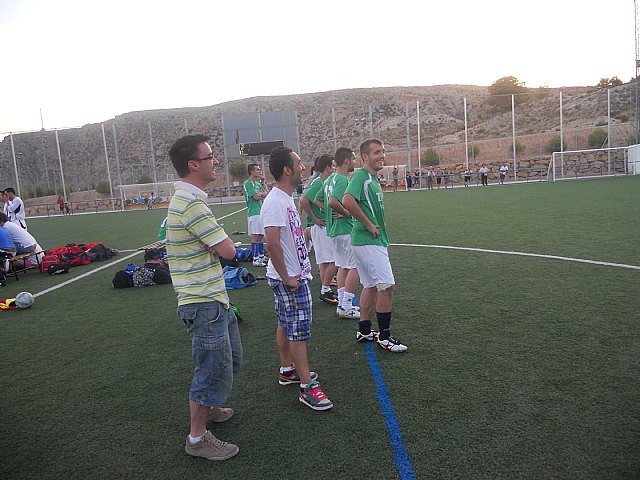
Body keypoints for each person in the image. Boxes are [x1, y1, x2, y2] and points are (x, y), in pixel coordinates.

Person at [166, 134, 242, 461]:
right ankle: (196, 439)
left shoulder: (190, 200)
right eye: (210, 157)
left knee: (230, 361)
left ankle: (208, 408)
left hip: (213, 298)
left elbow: (218, 247)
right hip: (202, 302)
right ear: (194, 164)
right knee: (210, 370)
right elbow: (228, 250)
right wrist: (229, 248)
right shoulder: (192, 203)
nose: (215, 162)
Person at [261, 146, 333, 411]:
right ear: (287, 170)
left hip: (290, 275)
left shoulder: (284, 199)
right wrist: (288, 277)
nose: (303, 167)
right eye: (299, 163)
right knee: (298, 331)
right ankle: (307, 387)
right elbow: (271, 244)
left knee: (285, 323)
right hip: (290, 279)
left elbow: (283, 239)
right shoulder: (276, 201)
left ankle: (287, 370)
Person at [342, 139, 407, 353]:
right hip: (368, 241)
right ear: (364, 157)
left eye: (383, 152)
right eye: (377, 152)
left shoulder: (373, 179)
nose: (382, 155)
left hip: (366, 242)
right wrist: (369, 224)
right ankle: (385, 337)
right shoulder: (361, 176)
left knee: (370, 285)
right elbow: (348, 200)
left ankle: (364, 330)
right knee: (387, 287)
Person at [322, 147, 360, 319]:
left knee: (343, 266)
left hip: (333, 231)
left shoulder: (329, 179)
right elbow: (332, 202)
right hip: (345, 230)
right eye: (353, 159)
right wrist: (346, 212)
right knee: (355, 266)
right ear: (346, 161)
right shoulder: (343, 179)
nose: (355, 161)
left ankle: (343, 305)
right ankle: (346, 305)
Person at [299, 154, 338, 306]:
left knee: (324, 261)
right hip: (320, 227)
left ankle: (326, 289)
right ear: (327, 167)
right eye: (333, 165)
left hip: (322, 226)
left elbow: (314, 200)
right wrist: (314, 218)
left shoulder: (326, 181)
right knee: (334, 260)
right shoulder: (319, 182)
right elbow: (304, 199)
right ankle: (325, 288)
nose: (335, 168)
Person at [243, 163, 268, 266]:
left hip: (261, 213)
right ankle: (255, 259)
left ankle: (261, 256)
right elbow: (255, 197)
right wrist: (260, 195)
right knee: (255, 236)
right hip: (254, 213)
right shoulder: (248, 183)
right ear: (252, 171)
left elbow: (267, 194)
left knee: (261, 235)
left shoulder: (258, 184)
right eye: (257, 169)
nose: (260, 171)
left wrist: (264, 183)